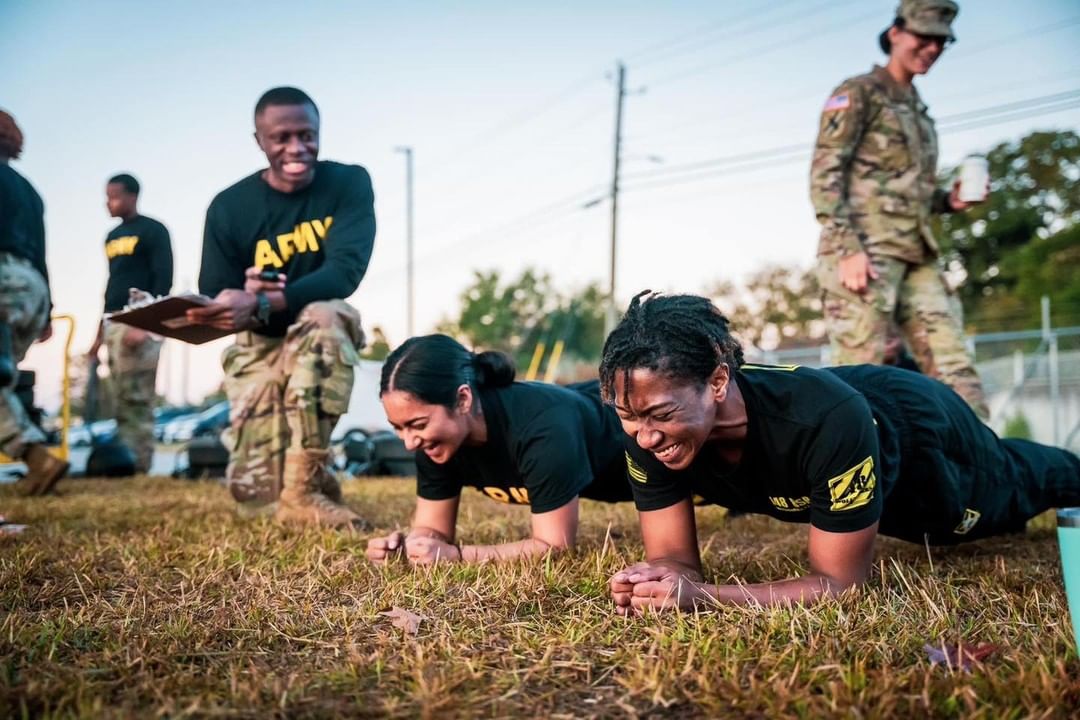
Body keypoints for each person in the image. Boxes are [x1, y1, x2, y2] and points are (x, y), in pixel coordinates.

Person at [600, 292, 1080, 613]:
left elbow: (840, 584)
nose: (644, 437)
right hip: (847, 415)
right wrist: (656, 581)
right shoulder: (645, 421)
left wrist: (705, 597)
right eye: (627, 416)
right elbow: (675, 561)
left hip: (915, 433)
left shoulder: (825, 421)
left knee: (1016, 485)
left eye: (661, 415)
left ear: (718, 381)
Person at [187, 87, 374, 528]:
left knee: (327, 316)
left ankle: (304, 491)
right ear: (259, 140)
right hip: (259, 339)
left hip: (316, 327)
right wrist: (236, 297)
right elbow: (216, 291)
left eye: (307, 135)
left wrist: (264, 298)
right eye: (282, 137)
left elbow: (344, 272)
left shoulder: (348, 183)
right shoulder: (229, 207)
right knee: (253, 496)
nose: (296, 148)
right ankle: (312, 481)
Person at [810, 0, 989, 419]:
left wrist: (949, 200)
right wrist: (847, 246)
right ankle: (855, 475)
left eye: (941, 42)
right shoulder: (857, 92)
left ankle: (981, 471)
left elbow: (909, 191)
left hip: (916, 254)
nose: (931, 48)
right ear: (896, 32)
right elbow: (825, 173)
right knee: (860, 378)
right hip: (865, 253)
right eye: (923, 37)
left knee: (955, 370)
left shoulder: (919, 112)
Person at [366, 334, 633, 565]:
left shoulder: (542, 426)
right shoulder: (436, 443)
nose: (409, 442)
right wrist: (411, 545)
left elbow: (555, 548)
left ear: (462, 399)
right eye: (398, 427)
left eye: (418, 424)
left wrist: (458, 555)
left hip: (639, 460)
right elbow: (433, 528)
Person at [0, 110, 69, 494]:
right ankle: (36, 459)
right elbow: (41, 253)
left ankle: (34, 455)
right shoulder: (28, 189)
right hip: (31, 288)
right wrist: (49, 311)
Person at [86, 173, 173, 473]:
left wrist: (145, 324)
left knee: (138, 397)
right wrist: (98, 337)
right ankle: (124, 464)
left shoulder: (153, 231)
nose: (108, 203)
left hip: (140, 321)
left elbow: (163, 279)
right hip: (113, 321)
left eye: (113, 196)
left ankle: (140, 464)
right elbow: (111, 286)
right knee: (121, 397)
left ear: (132, 196)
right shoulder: (111, 238)